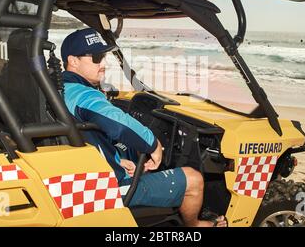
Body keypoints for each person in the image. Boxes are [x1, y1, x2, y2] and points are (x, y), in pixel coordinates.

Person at [61, 28, 226, 227]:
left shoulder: (62, 88)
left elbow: (85, 136)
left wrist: (115, 160)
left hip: (87, 175)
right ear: (73, 60)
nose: (103, 63)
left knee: (129, 155)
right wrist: (153, 144)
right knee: (194, 179)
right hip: (107, 189)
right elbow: (116, 123)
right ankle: (195, 225)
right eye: (96, 57)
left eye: (103, 56)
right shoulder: (83, 95)